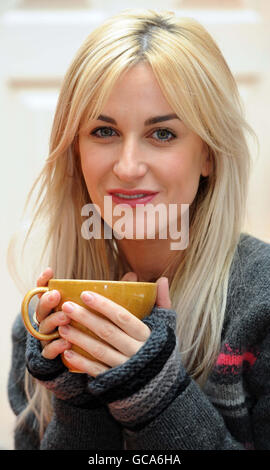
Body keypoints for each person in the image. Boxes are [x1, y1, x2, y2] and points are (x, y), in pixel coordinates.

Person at [7, 9, 270, 451]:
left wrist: (156, 398)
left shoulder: (260, 303)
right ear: (76, 153)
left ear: (208, 155)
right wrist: (79, 398)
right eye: (104, 130)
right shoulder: (44, 326)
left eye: (162, 134)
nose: (128, 167)